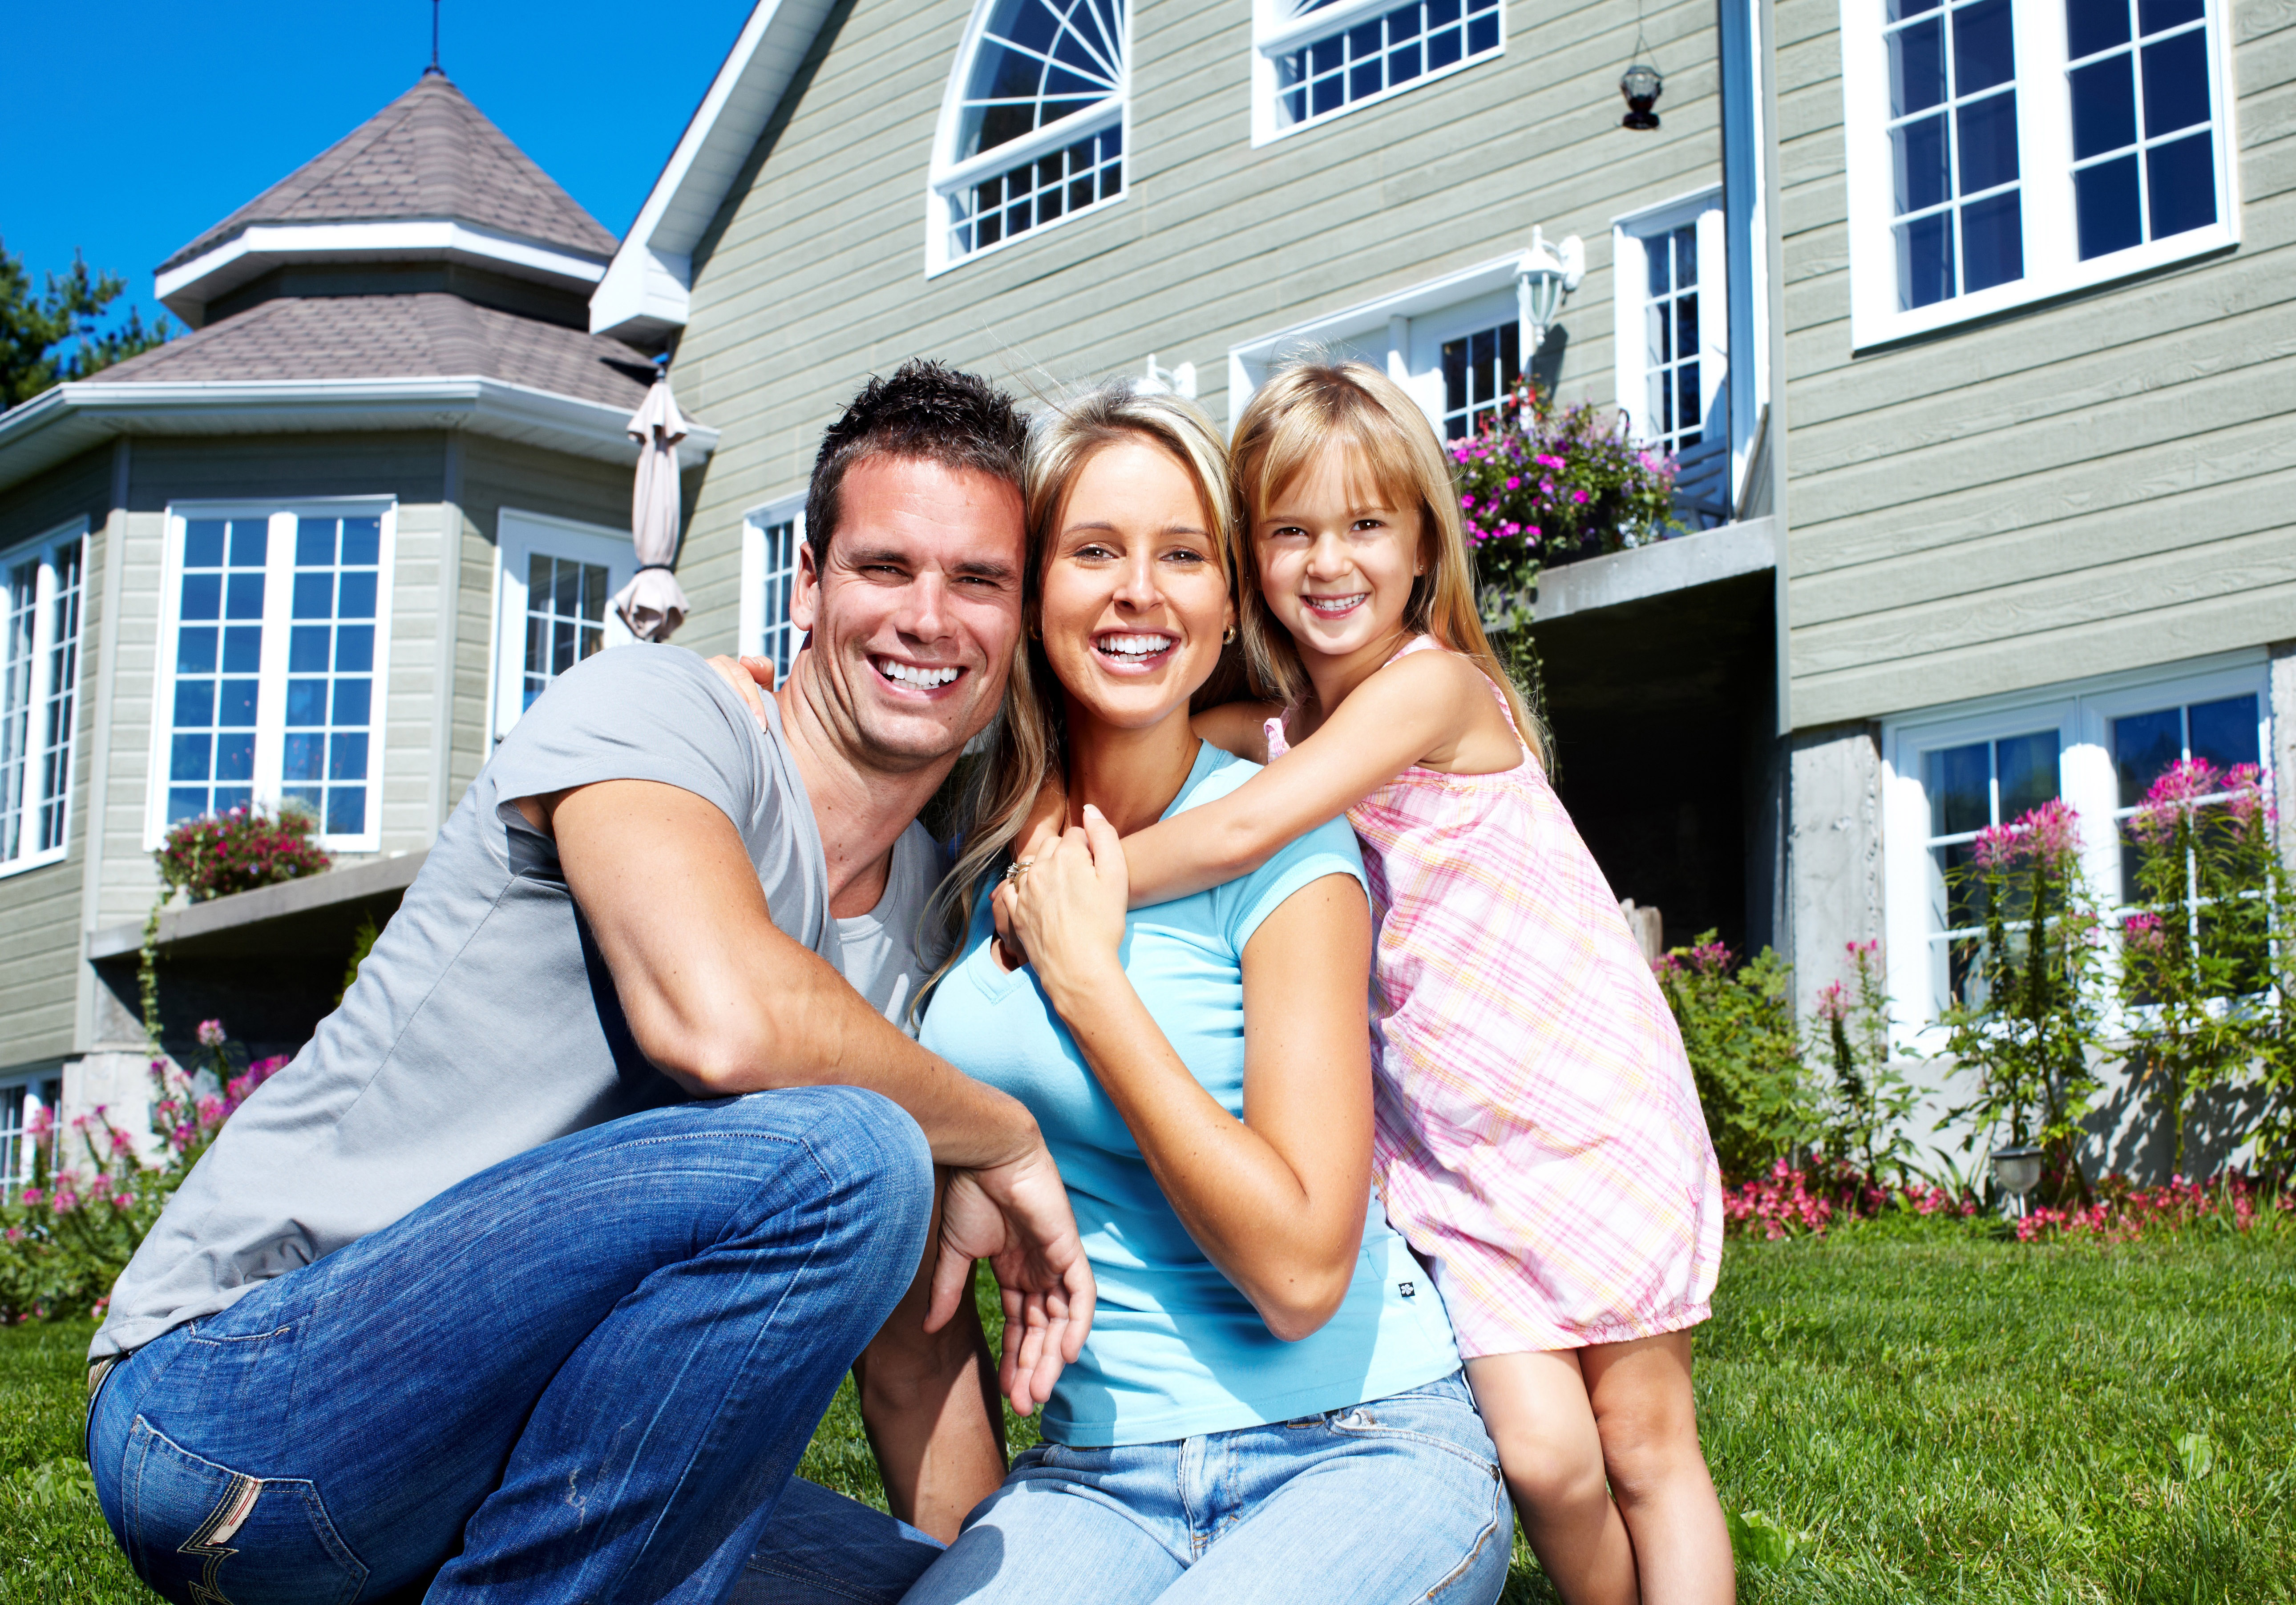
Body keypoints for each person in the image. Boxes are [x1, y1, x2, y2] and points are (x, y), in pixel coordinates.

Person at [85, 359, 1093, 1605]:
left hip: (516, 1460)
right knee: (855, 1150)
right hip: (244, 1401)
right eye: (886, 568)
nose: (929, 619)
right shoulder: (652, 714)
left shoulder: (924, 928)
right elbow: (720, 1020)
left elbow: (908, 1358)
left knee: (935, 1593)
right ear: (809, 589)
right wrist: (1002, 1135)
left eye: (979, 580)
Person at [1071, 359, 1734, 1604]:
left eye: (1366, 525)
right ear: (1251, 553)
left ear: (1425, 544)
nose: (1330, 561)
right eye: (1291, 530)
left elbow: (1228, 834)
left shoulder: (1432, 689)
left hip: (1589, 1111)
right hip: (1457, 1153)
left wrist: (1059, 897)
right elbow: (1158, 735)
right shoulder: (1287, 724)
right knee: (1544, 1459)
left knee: (1644, 1445)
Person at [886, 380, 1513, 1603]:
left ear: (1229, 605)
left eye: (1183, 554)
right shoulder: (979, 853)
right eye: (1094, 551)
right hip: (1090, 1474)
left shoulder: (1284, 847)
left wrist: (1091, 988)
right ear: (1032, 592)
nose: (1139, 591)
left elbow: (1296, 1273)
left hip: (1360, 1444)